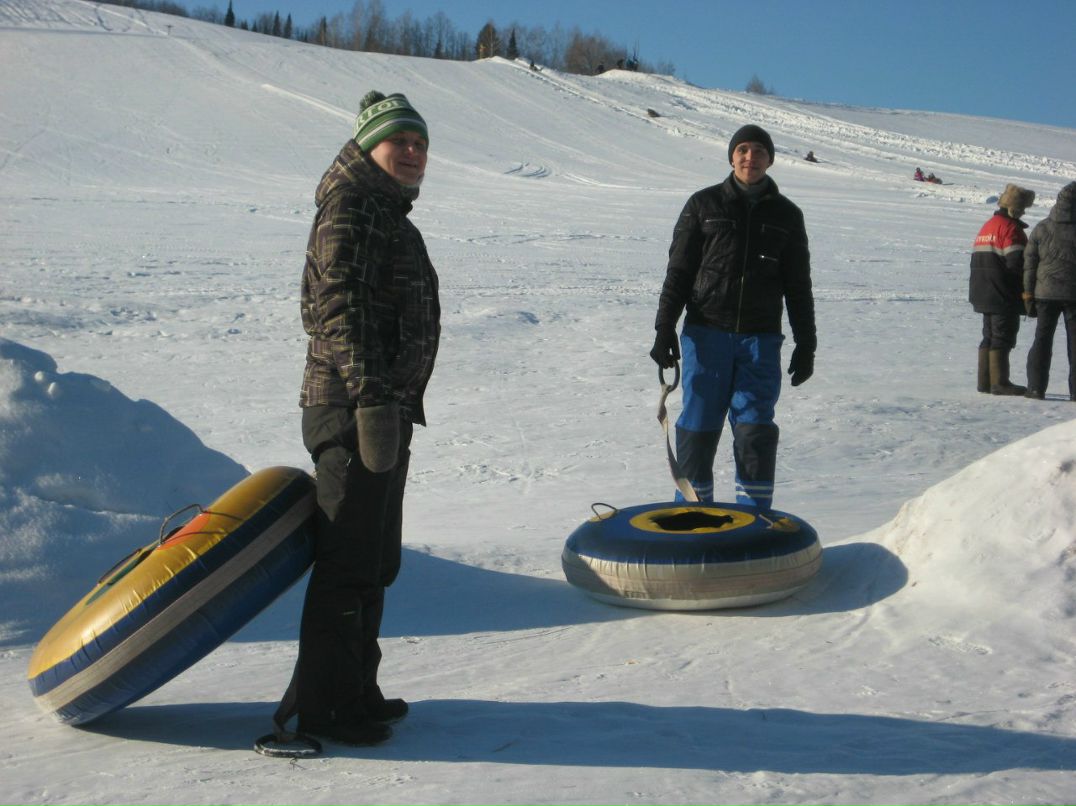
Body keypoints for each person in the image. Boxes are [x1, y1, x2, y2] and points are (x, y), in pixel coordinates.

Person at [276, 91, 441, 749]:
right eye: (399, 141)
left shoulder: (384, 211)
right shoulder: (350, 206)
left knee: (375, 563)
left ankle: (356, 691)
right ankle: (326, 708)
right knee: (348, 563)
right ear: (369, 146)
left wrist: (389, 404)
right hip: (351, 410)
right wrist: (371, 397)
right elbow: (337, 308)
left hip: (383, 410)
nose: (412, 153)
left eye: (421, 144)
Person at [649, 124, 816, 509]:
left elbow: (798, 284)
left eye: (759, 151)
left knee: (755, 428)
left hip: (760, 339)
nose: (750, 158)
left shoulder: (787, 215)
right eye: (742, 150)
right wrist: (664, 328)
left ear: (770, 160)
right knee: (698, 426)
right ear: (731, 157)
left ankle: (754, 521)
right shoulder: (702, 205)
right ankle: (693, 514)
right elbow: (679, 272)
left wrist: (806, 342)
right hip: (706, 335)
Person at [970, 183, 1035, 395]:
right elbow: (1017, 263)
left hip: (982, 291)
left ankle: (985, 382)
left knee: (988, 335)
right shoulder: (1010, 229)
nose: (1023, 212)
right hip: (1002, 293)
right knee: (1003, 336)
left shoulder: (988, 225)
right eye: (1023, 209)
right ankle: (1000, 382)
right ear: (1015, 208)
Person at [1023, 181, 1076, 401]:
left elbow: (1029, 263)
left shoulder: (1042, 227)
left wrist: (1027, 293)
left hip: (1044, 293)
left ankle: (1036, 388)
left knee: (1042, 339)